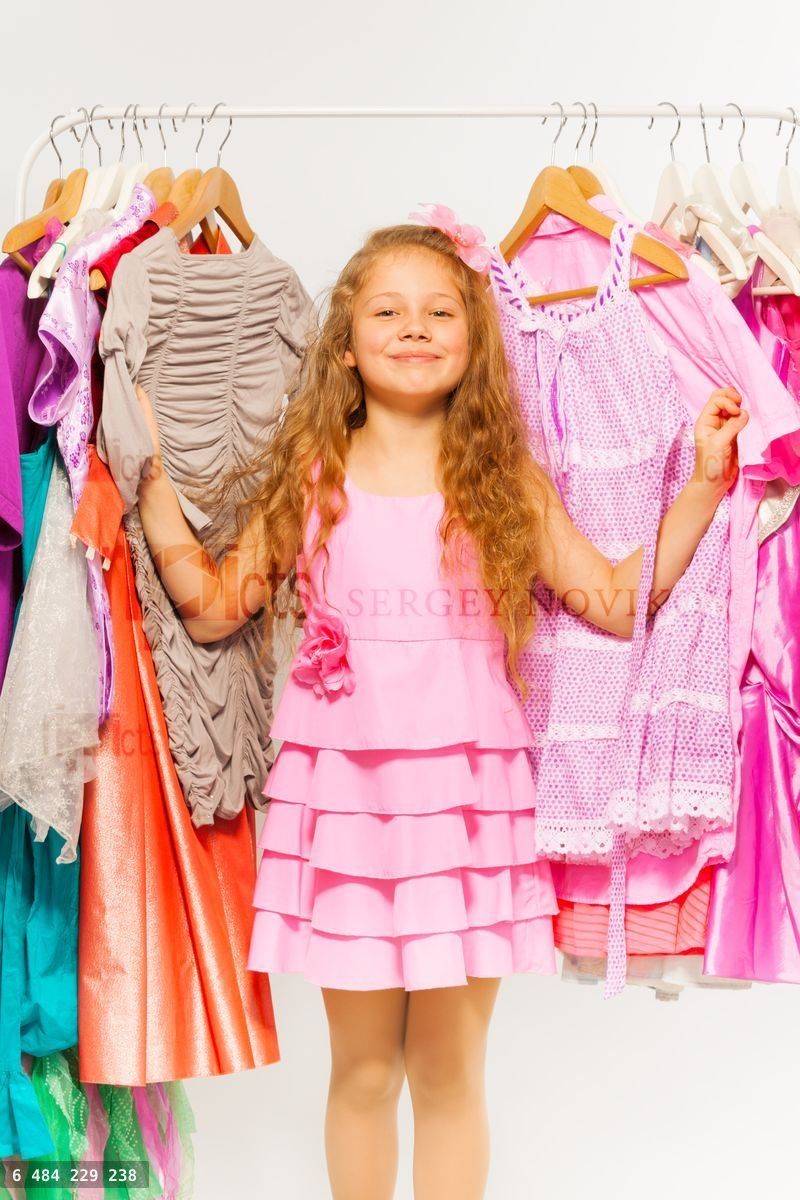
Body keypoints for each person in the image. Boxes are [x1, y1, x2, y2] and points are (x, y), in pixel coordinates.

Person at [132, 214, 746, 1200]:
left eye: (437, 311)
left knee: (448, 1073)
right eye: (386, 309)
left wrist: (705, 486)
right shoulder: (308, 473)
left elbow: (608, 599)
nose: (412, 327)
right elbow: (211, 609)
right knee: (365, 1070)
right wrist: (149, 476)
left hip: (467, 808)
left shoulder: (501, 479)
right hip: (347, 811)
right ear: (344, 340)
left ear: (473, 340)